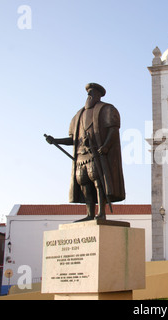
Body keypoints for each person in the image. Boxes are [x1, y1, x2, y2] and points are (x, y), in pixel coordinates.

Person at [46, 83, 125, 221]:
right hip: (81, 157)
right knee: (83, 183)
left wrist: (105, 146)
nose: (89, 95)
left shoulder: (107, 109)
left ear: (99, 95)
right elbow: (73, 139)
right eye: (88, 93)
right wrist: (56, 140)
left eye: (92, 92)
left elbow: (113, 130)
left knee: (98, 182)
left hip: (96, 154)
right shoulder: (78, 115)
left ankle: (101, 213)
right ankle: (90, 214)